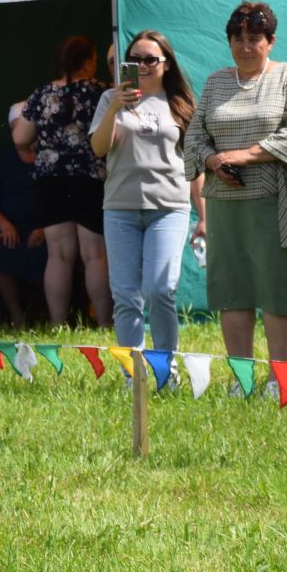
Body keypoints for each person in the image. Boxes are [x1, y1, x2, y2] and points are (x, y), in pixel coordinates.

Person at [184, 2, 287, 375]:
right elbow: (193, 138)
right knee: (231, 289)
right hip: (223, 203)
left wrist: (244, 156)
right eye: (237, 38)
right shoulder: (216, 81)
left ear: (270, 41)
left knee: (276, 289)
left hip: (274, 200)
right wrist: (213, 161)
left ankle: (279, 376)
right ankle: (242, 378)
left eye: (254, 38)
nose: (245, 46)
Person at [90, 31, 204, 354]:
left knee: (159, 290)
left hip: (169, 208)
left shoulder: (181, 104)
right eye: (135, 59)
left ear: (166, 64)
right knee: (125, 295)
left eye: (150, 59)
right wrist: (115, 107)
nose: (142, 65)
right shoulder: (109, 99)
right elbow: (99, 148)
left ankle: (166, 367)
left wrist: (204, 215)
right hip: (120, 208)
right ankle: (134, 374)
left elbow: (195, 165)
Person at [12, 35, 110, 327]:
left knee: (59, 256)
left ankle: (57, 324)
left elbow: (20, 137)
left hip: (50, 180)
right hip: (90, 178)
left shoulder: (42, 94)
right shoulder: (102, 92)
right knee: (94, 256)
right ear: (90, 61)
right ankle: (105, 324)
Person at [0, 108, 47, 328]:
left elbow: (60, 200)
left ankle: (50, 316)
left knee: (58, 253)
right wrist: (5, 225)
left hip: (45, 232)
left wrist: (45, 228)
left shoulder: (49, 157)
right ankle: (17, 316)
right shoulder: (2, 161)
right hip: (11, 232)